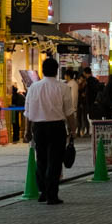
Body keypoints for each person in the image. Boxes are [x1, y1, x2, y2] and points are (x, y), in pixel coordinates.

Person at [24, 57, 77, 205]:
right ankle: (52, 195)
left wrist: (27, 131)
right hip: (56, 127)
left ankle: (43, 192)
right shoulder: (63, 88)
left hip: (38, 127)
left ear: (42, 70)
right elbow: (69, 112)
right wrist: (73, 130)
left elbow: (27, 111)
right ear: (56, 71)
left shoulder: (33, 87)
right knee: (54, 162)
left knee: (41, 160)